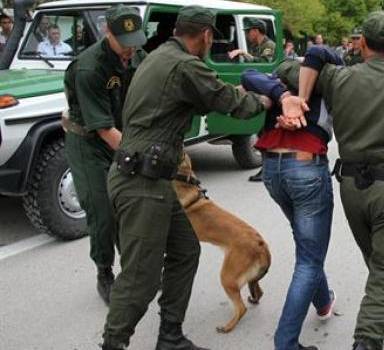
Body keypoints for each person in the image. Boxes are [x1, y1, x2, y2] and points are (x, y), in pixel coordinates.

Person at [100, 6, 272, 350]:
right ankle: (112, 345)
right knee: (140, 278)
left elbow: (185, 102)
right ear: (206, 35)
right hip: (141, 183)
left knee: (185, 250)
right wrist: (269, 99)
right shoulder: (184, 65)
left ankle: (170, 337)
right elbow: (229, 100)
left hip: (151, 177)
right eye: (212, 38)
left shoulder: (160, 56)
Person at [280, 11, 384, 350]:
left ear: (361, 44)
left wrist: (329, 59)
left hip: (351, 190)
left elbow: (286, 69)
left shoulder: (337, 79)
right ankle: (368, 341)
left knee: (380, 262)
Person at [242, 52, 343, 350]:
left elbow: (249, 74)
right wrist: (285, 96)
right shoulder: (320, 80)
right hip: (305, 170)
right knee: (310, 259)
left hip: (273, 170)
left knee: (307, 246)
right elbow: (249, 73)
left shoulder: (299, 80)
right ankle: (286, 343)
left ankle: (323, 303)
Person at [63, 4, 146, 307]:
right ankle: (104, 272)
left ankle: (134, 269)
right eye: (123, 44)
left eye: (135, 42)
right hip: (90, 143)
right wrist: (143, 153)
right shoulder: (89, 67)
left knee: (131, 207)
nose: (130, 50)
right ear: (106, 32)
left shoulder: (138, 55)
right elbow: (104, 130)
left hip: (121, 138)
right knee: (103, 211)